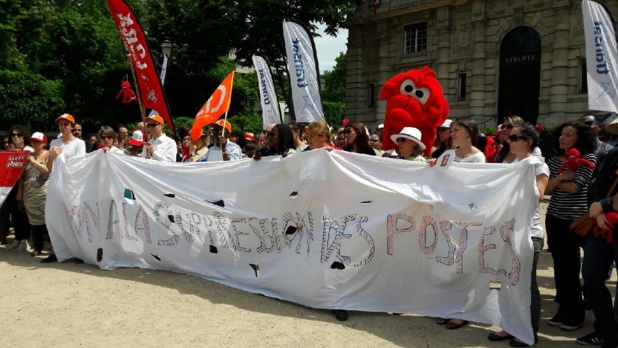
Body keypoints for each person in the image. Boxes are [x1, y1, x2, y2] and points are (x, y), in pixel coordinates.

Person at [486, 124, 548, 347]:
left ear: (528, 142)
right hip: (507, 233)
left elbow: (539, 195)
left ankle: (529, 330)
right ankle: (510, 325)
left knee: (526, 284)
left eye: (514, 138)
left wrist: (522, 176)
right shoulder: (510, 165)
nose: (508, 141)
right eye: (508, 137)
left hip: (528, 234)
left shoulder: (538, 165)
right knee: (506, 281)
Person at [544, 121, 596, 331]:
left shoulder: (588, 159)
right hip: (554, 217)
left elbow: (576, 187)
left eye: (569, 134)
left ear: (579, 139)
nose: (562, 138)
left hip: (573, 220)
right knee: (559, 266)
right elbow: (546, 188)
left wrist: (557, 181)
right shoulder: (553, 160)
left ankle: (575, 313)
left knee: (571, 267)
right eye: (561, 134)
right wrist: (560, 179)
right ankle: (563, 309)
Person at [578, 146, 618, 347]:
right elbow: (595, 184)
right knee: (591, 275)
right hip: (600, 224)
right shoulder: (612, 154)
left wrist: (605, 205)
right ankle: (604, 330)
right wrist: (599, 210)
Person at [42, 113, 86, 263]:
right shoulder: (55, 142)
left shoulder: (79, 144)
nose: (63, 127)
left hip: (71, 186)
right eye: (61, 124)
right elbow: (48, 168)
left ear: (72, 126)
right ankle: (58, 250)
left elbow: (80, 165)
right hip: (55, 184)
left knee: (73, 217)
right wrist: (53, 157)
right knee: (53, 217)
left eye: (66, 124)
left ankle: (79, 252)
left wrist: (64, 158)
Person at [3, 125, 33, 252]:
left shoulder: (29, 150)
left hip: (26, 186)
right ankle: (17, 239)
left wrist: (20, 189)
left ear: (24, 136)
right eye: (13, 135)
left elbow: (25, 173)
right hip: (11, 186)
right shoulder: (12, 150)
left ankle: (25, 241)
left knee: (23, 213)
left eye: (18, 135)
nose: (15, 137)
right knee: (14, 213)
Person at [22, 132, 51, 256]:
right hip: (29, 194)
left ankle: (50, 245)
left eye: (37, 141)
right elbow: (22, 176)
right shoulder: (27, 155)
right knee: (34, 222)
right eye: (33, 141)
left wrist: (33, 161)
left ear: (44, 143)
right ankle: (37, 247)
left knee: (48, 220)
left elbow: (47, 170)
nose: (34, 143)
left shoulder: (49, 154)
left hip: (45, 193)